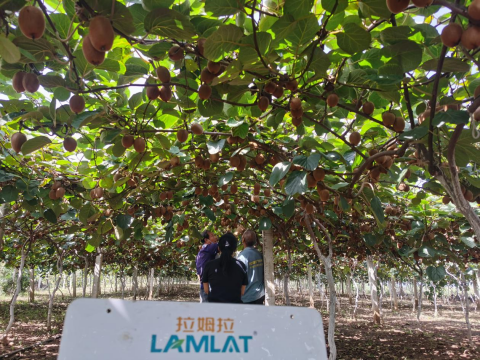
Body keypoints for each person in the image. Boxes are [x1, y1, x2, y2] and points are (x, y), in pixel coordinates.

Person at [202, 232, 247, 303]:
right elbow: (242, 292)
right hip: (235, 310)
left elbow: (206, 290)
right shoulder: (241, 266)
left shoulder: (209, 265)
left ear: (219, 248)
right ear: (235, 249)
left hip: (215, 309)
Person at [237, 229, 265, 304]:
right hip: (260, 294)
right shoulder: (260, 254)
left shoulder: (241, 257)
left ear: (243, 240)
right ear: (255, 241)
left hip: (247, 296)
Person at [195, 230, 218, 302]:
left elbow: (198, 272)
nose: (215, 237)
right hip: (209, 287)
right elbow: (224, 244)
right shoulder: (209, 248)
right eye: (212, 236)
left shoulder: (200, 253)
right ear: (206, 240)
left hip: (204, 286)